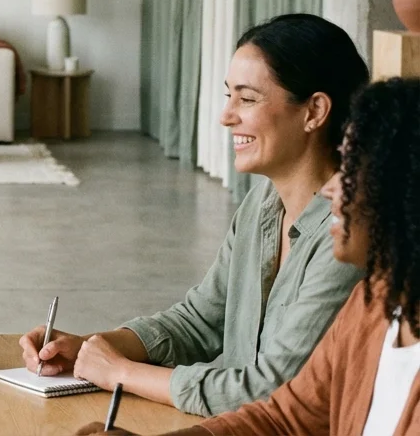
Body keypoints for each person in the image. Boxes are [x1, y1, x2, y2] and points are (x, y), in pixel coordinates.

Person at [21, 14, 367, 416]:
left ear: (314, 111)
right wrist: (94, 347)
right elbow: (201, 320)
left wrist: (120, 372)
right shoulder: (260, 205)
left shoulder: (349, 232)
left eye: (247, 98)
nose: (226, 116)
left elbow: (272, 390)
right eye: (228, 96)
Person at [77, 77, 420, 435]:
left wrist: (122, 371)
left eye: (350, 170)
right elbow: (282, 417)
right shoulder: (371, 306)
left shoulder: (360, 286)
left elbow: (268, 394)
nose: (333, 188)